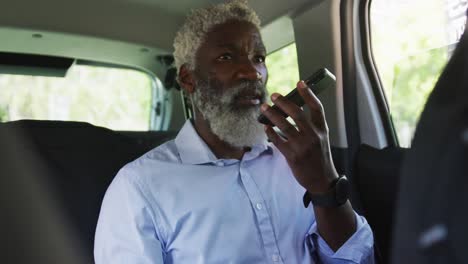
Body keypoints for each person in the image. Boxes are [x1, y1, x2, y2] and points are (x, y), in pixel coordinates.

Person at [94, 0, 375, 263]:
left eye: (259, 57)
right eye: (227, 57)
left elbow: (357, 258)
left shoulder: (298, 158)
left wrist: (324, 185)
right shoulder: (138, 187)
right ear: (188, 79)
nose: (252, 72)